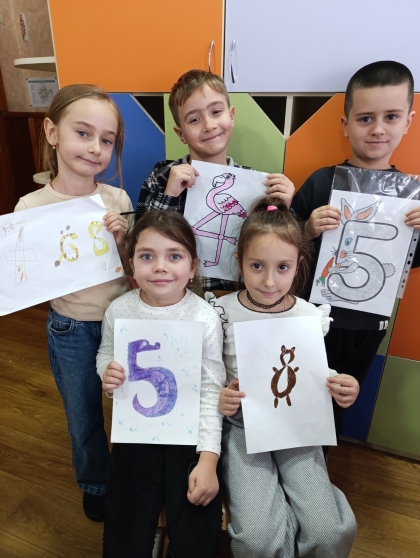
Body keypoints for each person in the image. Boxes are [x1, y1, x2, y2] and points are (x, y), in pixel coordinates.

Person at [207, 198, 358, 557]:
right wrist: (221, 397)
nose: (269, 281)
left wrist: (341, 384)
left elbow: (314, 371)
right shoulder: (221, 312)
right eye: (257, 265)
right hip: (243, 426)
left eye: (283, 267)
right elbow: (208, 376)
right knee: (256, 537)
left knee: (327, 531)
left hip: (296, 426)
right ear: (239, 262)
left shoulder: (308, 315)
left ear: (299, 265)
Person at [14, 84, 133, 521]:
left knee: (132, 403)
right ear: (52, 132)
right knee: (82, 413)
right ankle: (96, 481)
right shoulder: (30, 206)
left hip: (124, 320)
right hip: (71, 327)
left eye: (107, 140)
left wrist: (123, 240)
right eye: (83, 133)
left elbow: (133, 268)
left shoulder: (117, 199)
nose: (96, 148)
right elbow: (26, 278)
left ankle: (136, 475)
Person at [291, 60, 420, 438]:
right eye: (365, 119)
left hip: (368, 325)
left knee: (339, 397)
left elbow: (409, 263)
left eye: (391, 117)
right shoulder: (321, 182)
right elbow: (283, 246)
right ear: (346, 125)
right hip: (310, 315)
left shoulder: (412, 198)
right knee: (296, 388)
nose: (378, 129)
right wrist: (307, 229)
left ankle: (318, 459)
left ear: (408, 121)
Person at [96, 210, 226, 558]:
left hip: (191, 432)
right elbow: (106, 353)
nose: (160, 267)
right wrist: (107, 374)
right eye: (147, 256)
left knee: (196, 535)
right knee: (124, 530)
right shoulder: (119, 310)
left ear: (193, 267)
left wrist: (209, 460)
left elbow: (212, 390)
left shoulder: (204, 317)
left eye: (174, 256)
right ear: (131, 264)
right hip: (136, 430)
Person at [136, 69, 295, 290]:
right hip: (177, 294)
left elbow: (276, 248)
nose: (209, 125)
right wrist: (169, 196)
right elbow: (140, 242)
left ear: (231, 115)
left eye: (216, 112)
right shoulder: (162, 177)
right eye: (194, 119)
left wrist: (283, 209)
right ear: (181, 134)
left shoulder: (257, 185)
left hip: (236, 294)